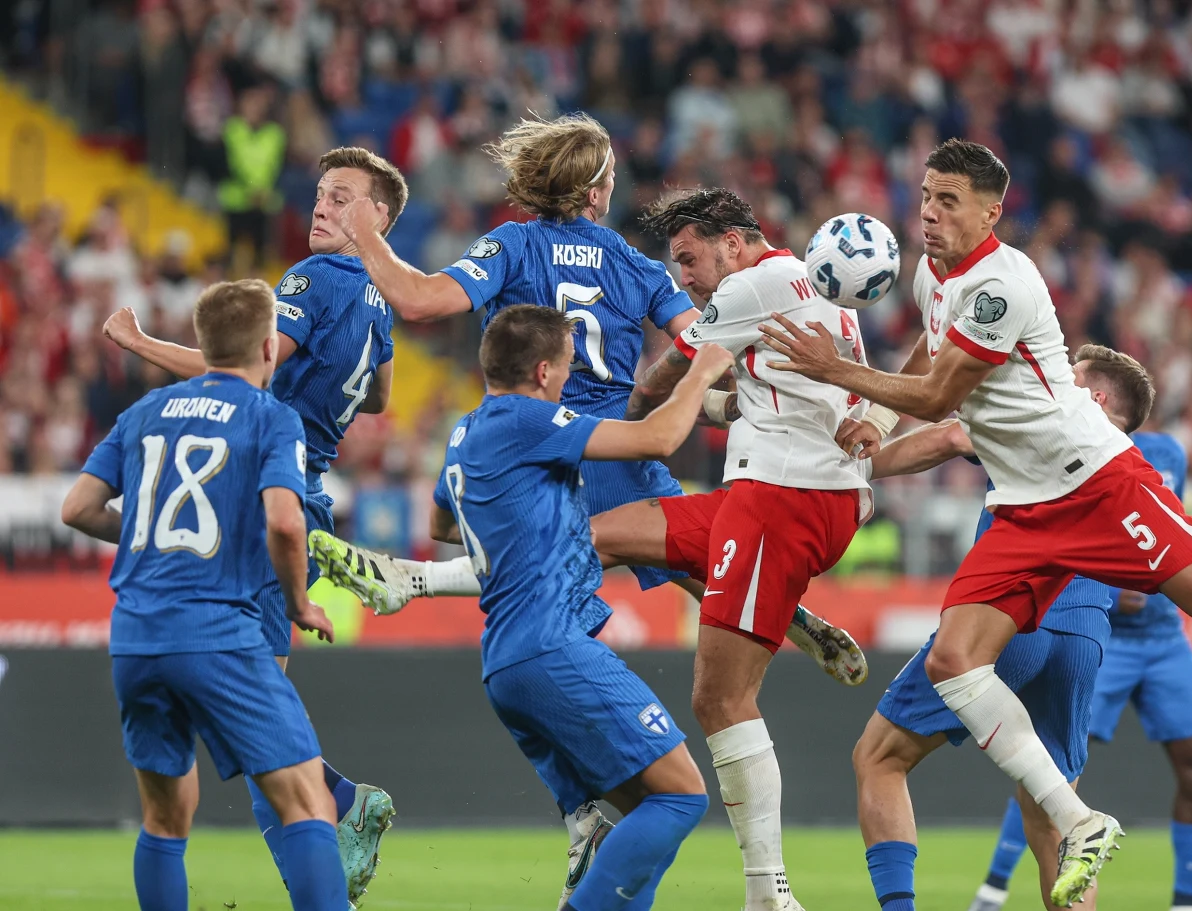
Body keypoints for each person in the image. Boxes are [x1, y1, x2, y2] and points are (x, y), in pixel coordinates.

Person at [760, 138, 1192, 907]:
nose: (928, 214)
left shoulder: (1004, 285)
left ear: (992, 211)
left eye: (949, 201)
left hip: (1097, 487)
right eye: (926, 197)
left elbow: (937, 402)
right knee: (953, 662)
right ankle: (1079, 819)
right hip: (1026, 512)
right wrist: (866, 416)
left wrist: (833, 372)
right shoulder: (935, 274)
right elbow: (927, 368)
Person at [315, 113, 867, 689]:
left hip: (524, 434)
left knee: (459, 527)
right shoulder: (639, 266)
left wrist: (368, 234)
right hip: (616, 446)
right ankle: (781, 612)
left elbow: (421, 301)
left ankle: (414, 578)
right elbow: (710, 349)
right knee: (679, 547)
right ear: (596, 191)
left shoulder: (513, 243)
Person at [101, 146, 407, 904]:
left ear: (381, 217)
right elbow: (377, 397)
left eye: (341, 198)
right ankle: (333, 810)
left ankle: (337, 807)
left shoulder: (314, 278)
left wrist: (141, 344)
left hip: (268, 486)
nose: (321, 208)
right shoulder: (381, 296)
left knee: (259, 728)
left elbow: (244, 367)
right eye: (320, 195)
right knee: (255, 704)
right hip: (303, 483)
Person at [580, 187, 877, 911]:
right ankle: (415, 581)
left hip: (780, 499)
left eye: (689, 258)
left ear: (734, 242)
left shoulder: (750, 285)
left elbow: (667, 379)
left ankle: (769, 894)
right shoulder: (816, 291)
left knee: (721, 696)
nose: (684, 277)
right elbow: (745, 400)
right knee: (597, 538)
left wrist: (605, 416)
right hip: (787, 494)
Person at [417, 304, 731, 910]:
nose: (568, 379)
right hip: (552, 643)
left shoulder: (466, 431)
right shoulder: (529, 420)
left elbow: (440, 522)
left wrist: (526, 519)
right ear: (541, 371)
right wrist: (702, 371)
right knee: (683, 796)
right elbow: (658, 438)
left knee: (645, 812)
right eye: (564, 366)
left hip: (505, 661)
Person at [61, 279, 347, 911]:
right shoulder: (272, 417)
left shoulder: (143, 413)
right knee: (308, 802)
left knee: (166, 818)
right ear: (271, 347)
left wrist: (148, 541)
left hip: (135, 637)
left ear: (203, 342)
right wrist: (298, 602)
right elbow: (284, 520)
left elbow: (78, 508)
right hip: (218, 634)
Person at [969, 370, 1192, 911]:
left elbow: (1177, 532)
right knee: (1051, 768)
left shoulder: (1164, 454)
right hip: (1095, 625)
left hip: (1162, 637)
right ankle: (993, 887)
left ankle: (1187, 903)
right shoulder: (1054, 437)